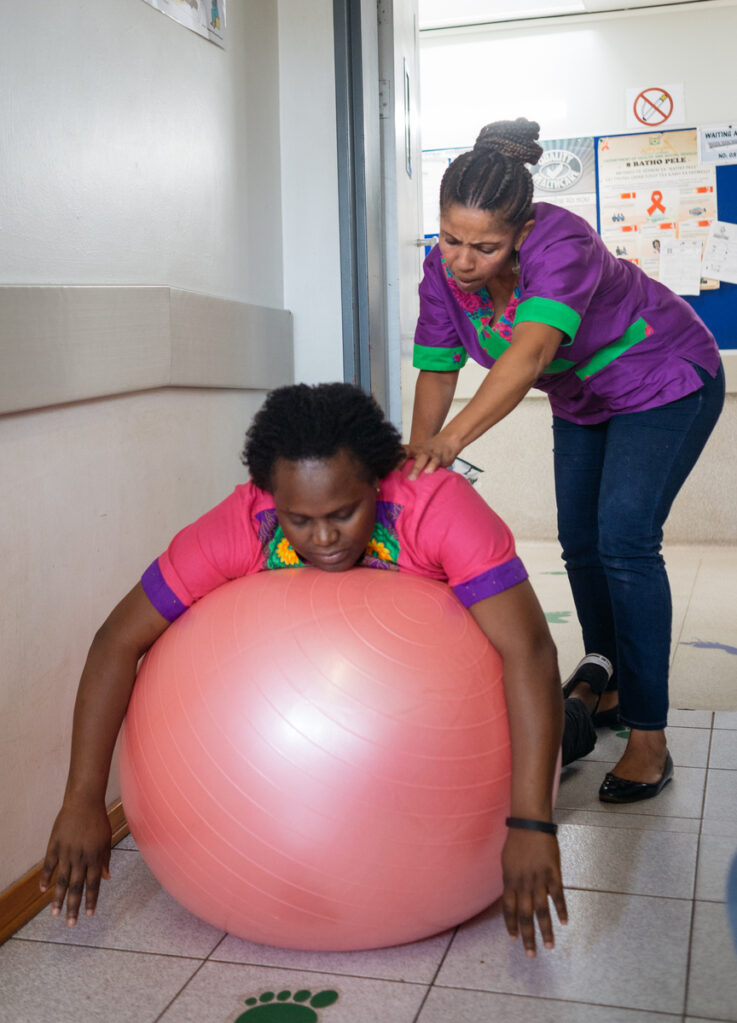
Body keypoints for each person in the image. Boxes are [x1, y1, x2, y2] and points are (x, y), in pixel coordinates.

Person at [42, 382, 576, 957]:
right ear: (270, 495)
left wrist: (531, 823)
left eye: (344, 513)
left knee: (568, 726)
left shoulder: (436, 506)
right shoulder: (246, 522)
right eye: (299, 519)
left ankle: (587, 703)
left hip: (454, 729)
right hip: (312, 751)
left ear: (377, 478)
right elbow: (116, 641)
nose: (323, 538)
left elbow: (531, 653)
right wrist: (82, 799)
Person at [407, 117, 725, 804]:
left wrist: (450, 444)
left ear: (520, 233)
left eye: (483, 246)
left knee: (624, 542)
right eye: (451, 238)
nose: (462, 260)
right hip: (584, 400)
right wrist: (416, 457)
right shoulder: (443, 270)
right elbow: (436, 369)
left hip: (662, 376)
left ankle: (648, 735)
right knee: (578, 544)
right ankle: (605, 679)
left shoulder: (562, 241)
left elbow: (526, 355)